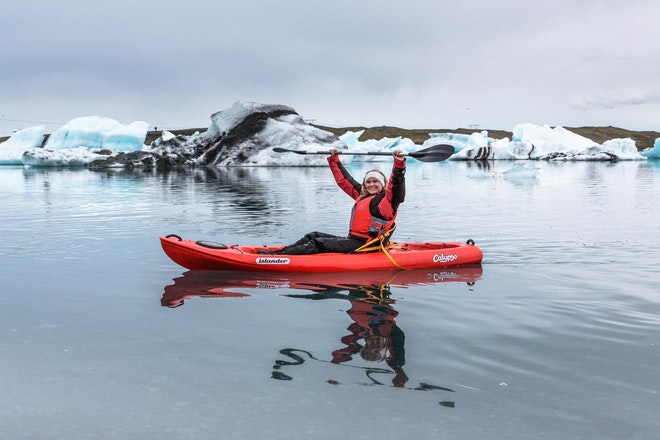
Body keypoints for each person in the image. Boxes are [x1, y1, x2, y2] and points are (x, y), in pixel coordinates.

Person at [265, 148, 406, 255]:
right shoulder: (363, 195)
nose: (371, 184)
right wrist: (334, 159)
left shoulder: (387, 202)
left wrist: (399, 165)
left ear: (383, 184)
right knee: (313, 235)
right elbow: (344, 181)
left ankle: (283, 258)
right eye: (368, 181)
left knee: (317, 242)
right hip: (353, 240)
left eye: (375, 181)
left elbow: (397, 187)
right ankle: (280, 253)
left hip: (367, 245)